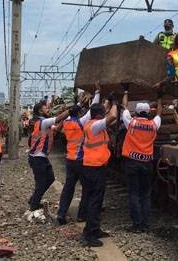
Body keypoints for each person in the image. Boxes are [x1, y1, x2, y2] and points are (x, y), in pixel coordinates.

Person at [56, 83, 101, 225]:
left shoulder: (67, 123)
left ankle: (61, 213)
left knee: (68, 187)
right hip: (81, 160)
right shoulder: (81, 122)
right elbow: (91, 111)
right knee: (87, 188)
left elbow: (74, 113)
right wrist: (98, 92)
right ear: (79, 114)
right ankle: (82, 215)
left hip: (70, 160)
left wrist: (78, 104)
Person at [121, 87, 162, 232]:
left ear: (137, 112)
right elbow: (159, 114)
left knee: (133, 193)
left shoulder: (131, 123)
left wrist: (126, 91)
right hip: (147, 164)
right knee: (145, 194)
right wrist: (159, 97)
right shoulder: (153, 125)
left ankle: (136, 224)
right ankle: (145, 224)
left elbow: (124, 106)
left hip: (132, 163)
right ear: (148, 112)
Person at [81, 102, 118, 247]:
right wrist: (115, 103)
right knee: (94, 202)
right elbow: (113, 115)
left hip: (95, 167)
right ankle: (90, 235)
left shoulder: (92, 124)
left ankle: (94, 229)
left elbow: (107, 113)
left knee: (96, 200)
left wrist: (107, 103)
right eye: (103, 112)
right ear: (99, 115)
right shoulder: (95, 126)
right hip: (94, 168)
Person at [28, 101, 70, 211]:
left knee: (50, 178)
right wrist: (70, 110)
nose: (48, 109)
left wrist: (64, 119)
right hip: (37, 157)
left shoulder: (44, 123)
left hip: (41, 156)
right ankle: (34, 205)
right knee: (41, 183)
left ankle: (33, 199)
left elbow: (56, 128)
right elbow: (57, 118)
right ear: (40, 111)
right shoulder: (43, 122)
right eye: (46, 108)